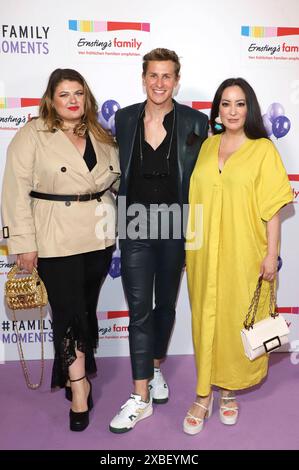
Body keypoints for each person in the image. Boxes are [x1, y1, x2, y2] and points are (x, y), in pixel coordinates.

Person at [1, 68, 120, 432]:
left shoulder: (101, 134)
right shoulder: (32, 134)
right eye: (64, 94)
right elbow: (14, 191)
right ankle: (80, 387)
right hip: (54, 237)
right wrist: (23, 242)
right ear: (51, 99)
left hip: (98, 236)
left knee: (83, 308)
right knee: (68, 312)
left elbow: (115, 179)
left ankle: (72, 373)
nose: (72, 101)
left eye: (78, 94)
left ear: (87, 98)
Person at [184, 77, 293, 435]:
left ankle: (228, 390)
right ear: (217, 109)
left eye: (240, 103)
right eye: (226, 104)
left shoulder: (263, 150)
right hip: (203, 252)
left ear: (250, 109)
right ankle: (203, 394)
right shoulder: (206, 146)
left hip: (244, 250)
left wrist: (271, 255)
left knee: (234, 319)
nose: (232, 111)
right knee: (204, 320)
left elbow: (274, 209)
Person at [109, 48, 209, 433]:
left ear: (177, 80)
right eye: (153, 75)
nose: (160, 83)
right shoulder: (124, 118)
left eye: (167, 76)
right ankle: (140, 397)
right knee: (139, 311)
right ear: (143, 77)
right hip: (134, 226)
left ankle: (153, 369)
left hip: (176, 228)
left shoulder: (195, 122)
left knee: (165, 305)